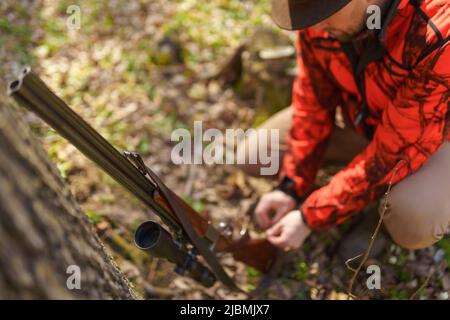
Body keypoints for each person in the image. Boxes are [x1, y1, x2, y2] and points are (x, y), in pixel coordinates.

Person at [239, 0, 450, 253]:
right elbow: (313, 103)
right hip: (365, 121)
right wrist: (292, 187)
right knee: (257, 155)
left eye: (323, 13)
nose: (315, 27)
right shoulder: (322, 22)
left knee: (413, 219)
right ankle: (357, 187)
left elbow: (394, 152)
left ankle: (382, 219)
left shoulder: (437, 33)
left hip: (433, 140)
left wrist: (311, 216)